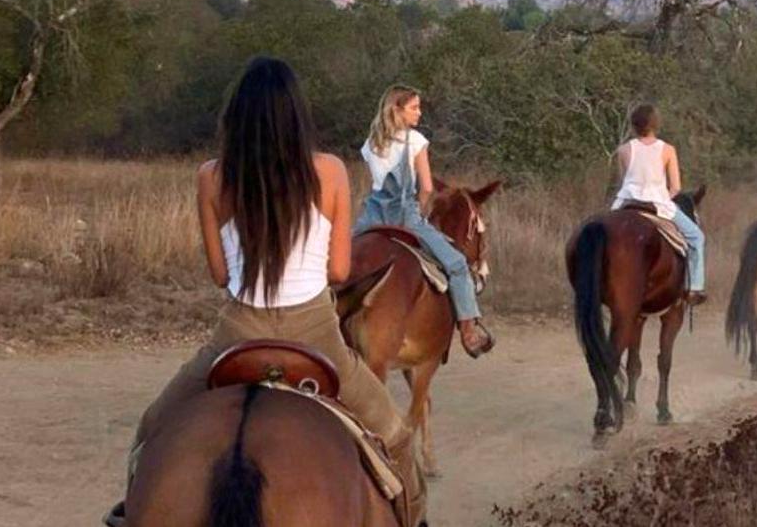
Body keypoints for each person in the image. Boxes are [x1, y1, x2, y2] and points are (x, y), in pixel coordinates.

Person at [105, 57, 424, 527]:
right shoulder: (330, 171)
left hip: (236, 333)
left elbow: (219, 273)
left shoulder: (211, 177)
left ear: (235, 117)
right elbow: (338, 270)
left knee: (152, 429)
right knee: (395, 437)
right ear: (298, 116)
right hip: (315, 333)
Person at [354, 85, 495, 358]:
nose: (420, 113)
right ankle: (468, 331)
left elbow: (376, 186)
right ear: (397, 109)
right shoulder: (416, 141)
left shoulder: (369, 144)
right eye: (414, 108)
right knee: (456, 265)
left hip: (371, 219)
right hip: (405, 217)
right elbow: (427, 188)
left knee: (337, 263)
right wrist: (415, 214)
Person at [611, 103, 707, 305]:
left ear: (634, 125)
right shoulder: (668, 149)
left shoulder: (623, 150)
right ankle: (694, 288)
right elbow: (676, 188)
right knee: (697, 238)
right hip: (658, 204)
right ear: (655, 124)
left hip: (626, 203)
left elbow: (623, 182)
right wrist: (664, 197)